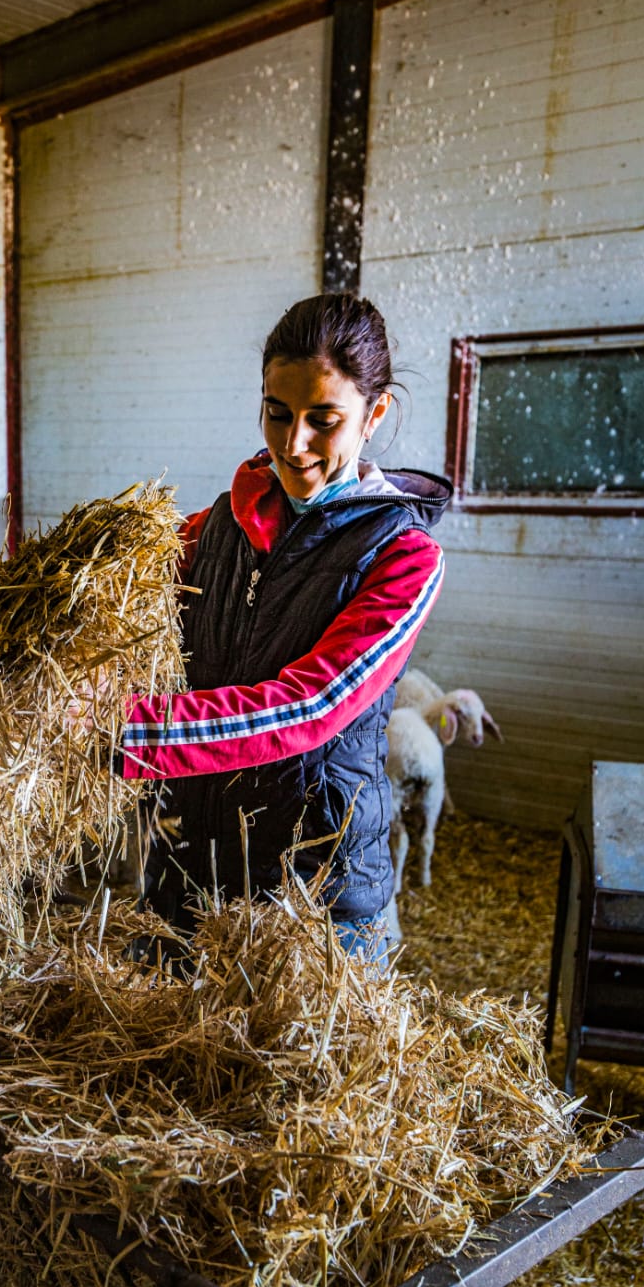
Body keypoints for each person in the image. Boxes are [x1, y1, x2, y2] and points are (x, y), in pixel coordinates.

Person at [118, 292, 452, 965]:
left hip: (317, 905)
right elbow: (117, 611)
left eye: (323, 420)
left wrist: (126, 732)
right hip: (196, 875)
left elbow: (312, 706)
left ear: (374, 415)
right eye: (277, 413)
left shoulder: (403, 556)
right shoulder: (211, 531)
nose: (292, 444)